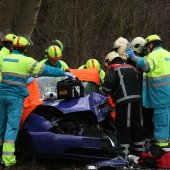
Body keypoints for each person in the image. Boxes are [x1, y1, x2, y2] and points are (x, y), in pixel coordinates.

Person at [0, 36, 73, 169]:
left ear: (13, 47)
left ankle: (0, 156)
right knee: (12, 127)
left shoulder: (4, 58)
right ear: (25, 48)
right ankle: (8, 159)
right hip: (15, 98)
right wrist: (63, 73)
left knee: (1, 125)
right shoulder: (27, 61)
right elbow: (46, 70)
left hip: (1, 96)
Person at [125, 34, 170, 151]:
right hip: (167, 97)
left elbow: (146, 66)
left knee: (161, 125)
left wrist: (133, 57)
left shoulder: (154, 55)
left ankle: (162, 151)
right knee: (168, 125)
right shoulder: (167, 54)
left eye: (147, 46)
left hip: (161, 97)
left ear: (151, 45)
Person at [101, 51, 145, 158]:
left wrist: (103, 95)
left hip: (124, 102)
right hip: (138, 100)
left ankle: (123, 154)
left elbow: (106, 88)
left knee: (125, 126)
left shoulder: (113, 69)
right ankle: (140, 152)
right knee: (138, 125)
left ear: (109, 61)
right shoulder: (132, 68)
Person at [130, 37, 154, 150]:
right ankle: (147, 145)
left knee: (145, 121)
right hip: (148, 96)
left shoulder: (142, 61)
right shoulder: (145, 59)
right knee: (147, 121)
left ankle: (146, 145)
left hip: (145, 96)